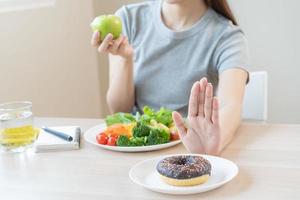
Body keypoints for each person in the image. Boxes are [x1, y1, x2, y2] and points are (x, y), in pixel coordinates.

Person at [91, 0, 249, 155]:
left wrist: (211, 144)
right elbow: (119, 110)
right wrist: (126, 60)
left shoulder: (228, 37)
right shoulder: (128, 18)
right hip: (135, 150)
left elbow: (230, 105)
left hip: (188, 152)